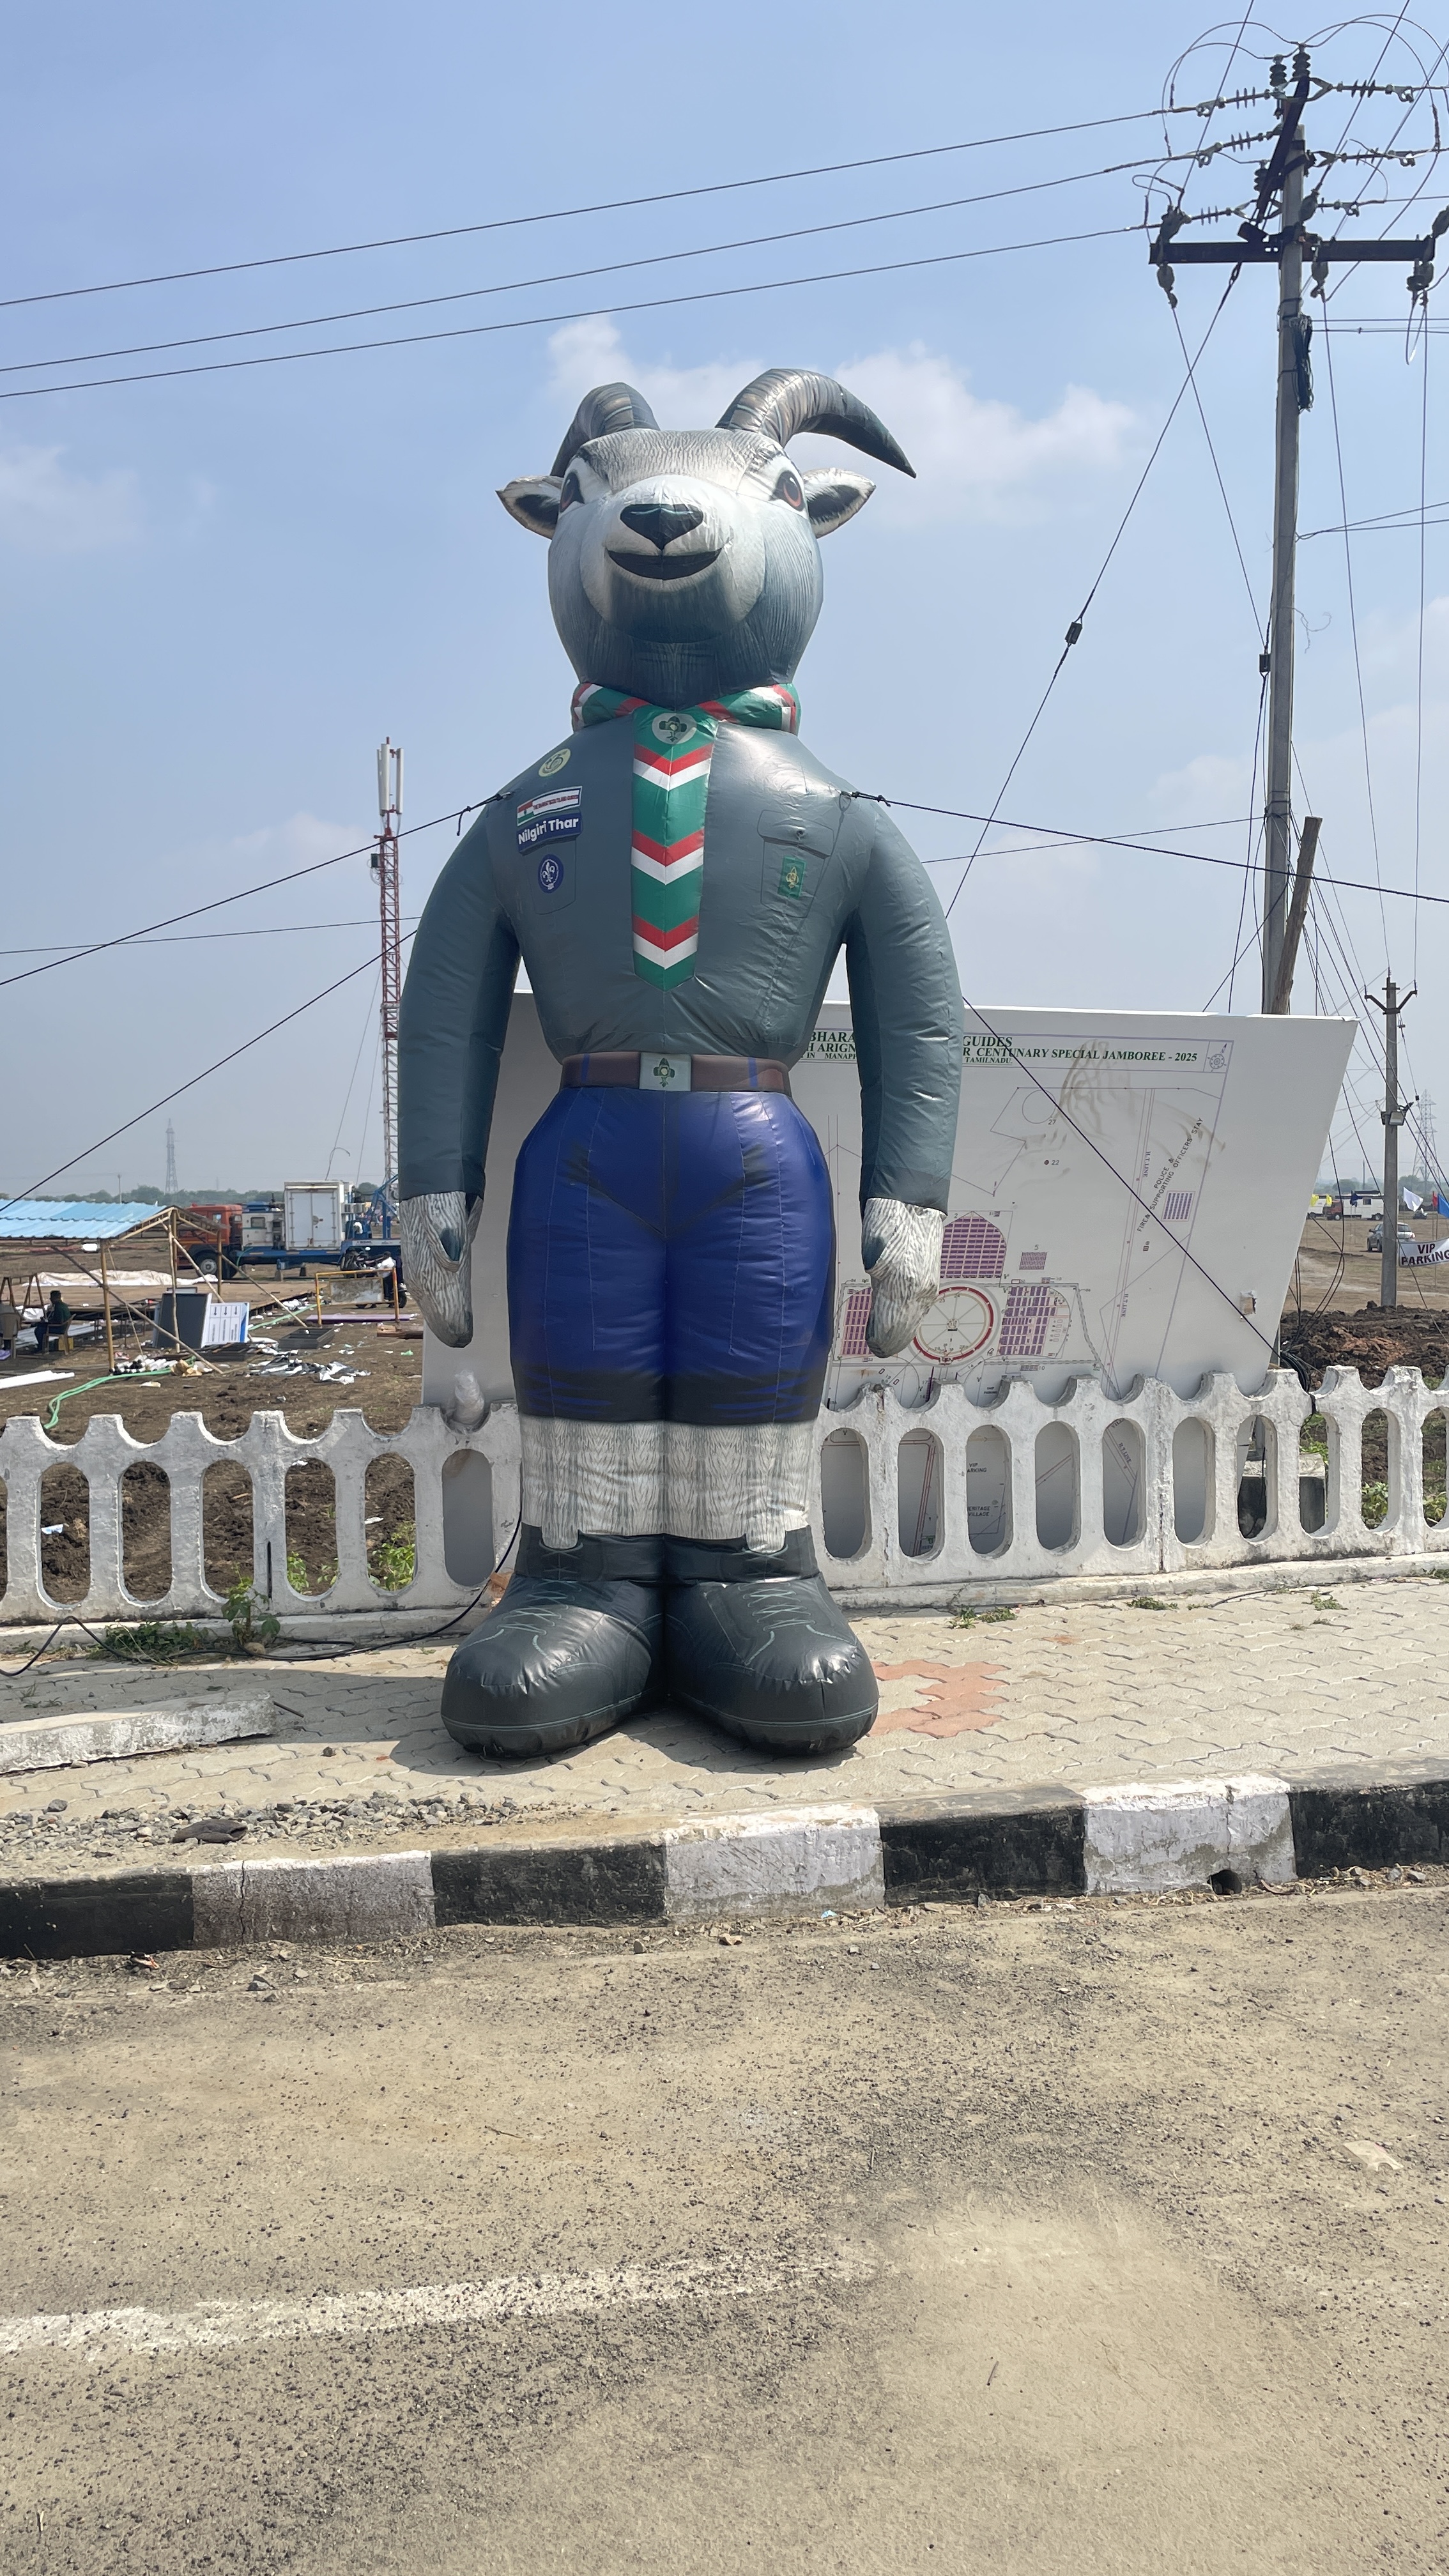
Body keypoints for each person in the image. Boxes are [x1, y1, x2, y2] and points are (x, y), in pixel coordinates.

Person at [33, 1290, 71, 1354]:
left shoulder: (58, 1307)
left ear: (55, 1298)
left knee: (39, 1330)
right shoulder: (64, 1305)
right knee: (41, 1326)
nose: (50, 1299)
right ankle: (43, 1346)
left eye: (51, 1298)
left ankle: (42, 1347)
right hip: (64, 1327)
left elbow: (59, 1321)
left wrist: (48, 1322)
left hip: (59, 1328)